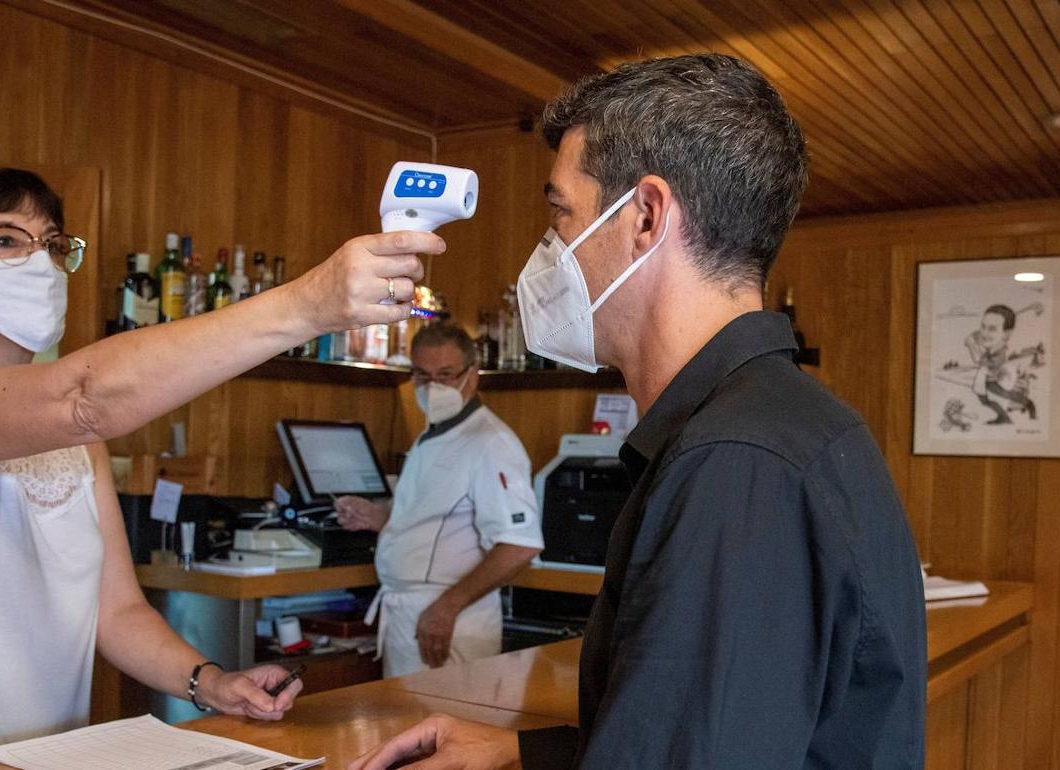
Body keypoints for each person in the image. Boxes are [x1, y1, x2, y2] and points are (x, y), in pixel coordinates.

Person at [351, 53, 926, 770]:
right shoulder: (790, 422)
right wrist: (525, 755)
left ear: (646, 216)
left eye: (560, 214)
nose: (550, 249)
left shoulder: (735, 466)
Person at [0, 167, 438, 765]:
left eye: (52, 245)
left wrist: (210, 682)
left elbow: (117, 610)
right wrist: (309, 303)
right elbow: (82, 399)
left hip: (37, 758)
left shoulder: (73, 440)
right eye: (5, 240)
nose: (39, 264)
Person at [334, 324, 543, 677]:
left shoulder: (491, 444)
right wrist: (380, 517)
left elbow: (519, 546)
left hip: (452, 621)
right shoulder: (428, 437)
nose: (433, 386)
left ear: (472, 376)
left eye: (445, 375)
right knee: (403, 714)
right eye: (422, 375)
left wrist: (447, 607)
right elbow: (438, 520)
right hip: (409, 616)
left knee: (442, 714)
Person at [965, 304, 1037, 423]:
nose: (984, 332)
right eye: (983, 326)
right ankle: (1005, 417)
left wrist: (972, 346)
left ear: (1006, 334)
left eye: (992, 329)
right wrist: (973, 343)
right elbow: (980, 353)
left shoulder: (999, 353)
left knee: (1005, 396)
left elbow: (979, 361)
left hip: (993, 382)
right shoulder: (992, 347)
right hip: (986, 381)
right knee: (986, 400)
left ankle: (1028, 406)